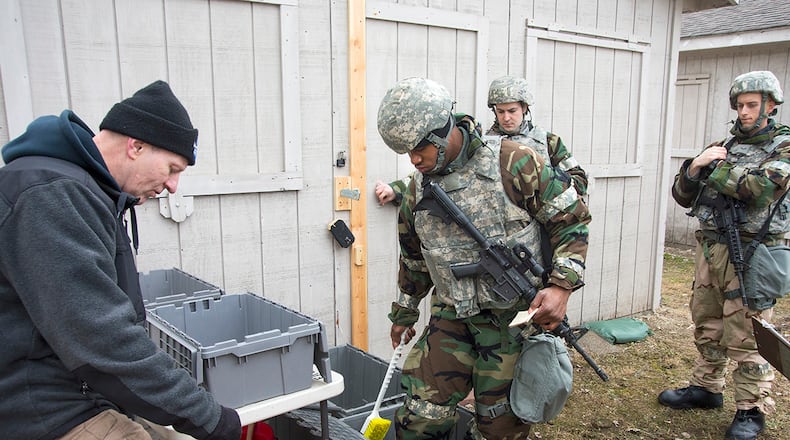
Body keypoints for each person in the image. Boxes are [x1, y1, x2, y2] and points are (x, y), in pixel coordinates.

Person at [0, 80, 242, 440]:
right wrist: (211, 418)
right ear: (136, 145)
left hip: (80, 391)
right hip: (42, 409)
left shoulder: (82, 189)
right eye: (173, 168)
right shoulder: (52, 196)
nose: (173, 186)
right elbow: (103, 340)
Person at [376, 77, 591, 439]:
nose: (413, 159)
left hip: (513, 321)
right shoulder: (416, 189)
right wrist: (404, 315)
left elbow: (571, 219)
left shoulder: (515, 162)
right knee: (420, 417)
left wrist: (561, 287)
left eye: (419, 148)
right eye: (406, 153)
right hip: (451, 316)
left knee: (499, 425)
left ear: (443, 130)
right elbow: (414, 259)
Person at [659, 70, 790, 440]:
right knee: (707, 319)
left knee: (748, 330)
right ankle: (706, 387)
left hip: (753, 250)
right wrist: (696, 166)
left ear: (770, 106)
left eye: (752, 105)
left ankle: (751, 409)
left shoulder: (783, 147)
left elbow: (760, 188)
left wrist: (713, 167)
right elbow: (683, 194)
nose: (744, 112)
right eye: (739, 105)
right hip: (712, 245)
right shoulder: (723, 146)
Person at [375, 75, 588, 206]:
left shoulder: (547, 142)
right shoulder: (484, 145)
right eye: (500, 111)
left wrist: (540, 182)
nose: (506, 117)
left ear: (524, 108)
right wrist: (395, 189)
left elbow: (579, 179)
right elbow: (439, 172)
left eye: (512, 110)